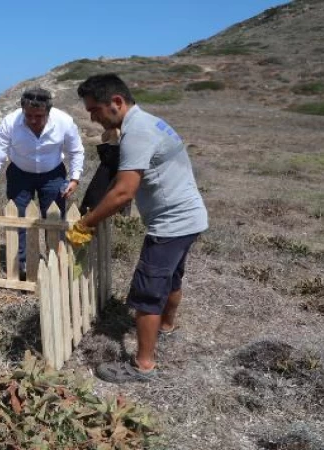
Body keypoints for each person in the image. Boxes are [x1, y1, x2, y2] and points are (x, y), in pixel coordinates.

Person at [67, 74, 208, 383]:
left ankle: (142, 365)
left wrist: (85, 222)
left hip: (171, 224)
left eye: (94, 110)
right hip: (190, 218)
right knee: (171, 279)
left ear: (116, 102)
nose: (92, 117)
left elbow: (123, 192)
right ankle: (167, 327)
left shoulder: (137, 133)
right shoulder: (149, 122)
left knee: (147, 293)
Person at [0, 87, 85, 278]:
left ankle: (56, 265)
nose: (33, 120)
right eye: (29, 115)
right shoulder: (10, 122)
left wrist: (75, 178)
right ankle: (21, 267)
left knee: (54, 221)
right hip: (19, 174)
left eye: (39, 116)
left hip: (53, 174)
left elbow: (76, 151)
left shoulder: (64, 122)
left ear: (48, 111)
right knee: (19, 220)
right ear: (22, 110)